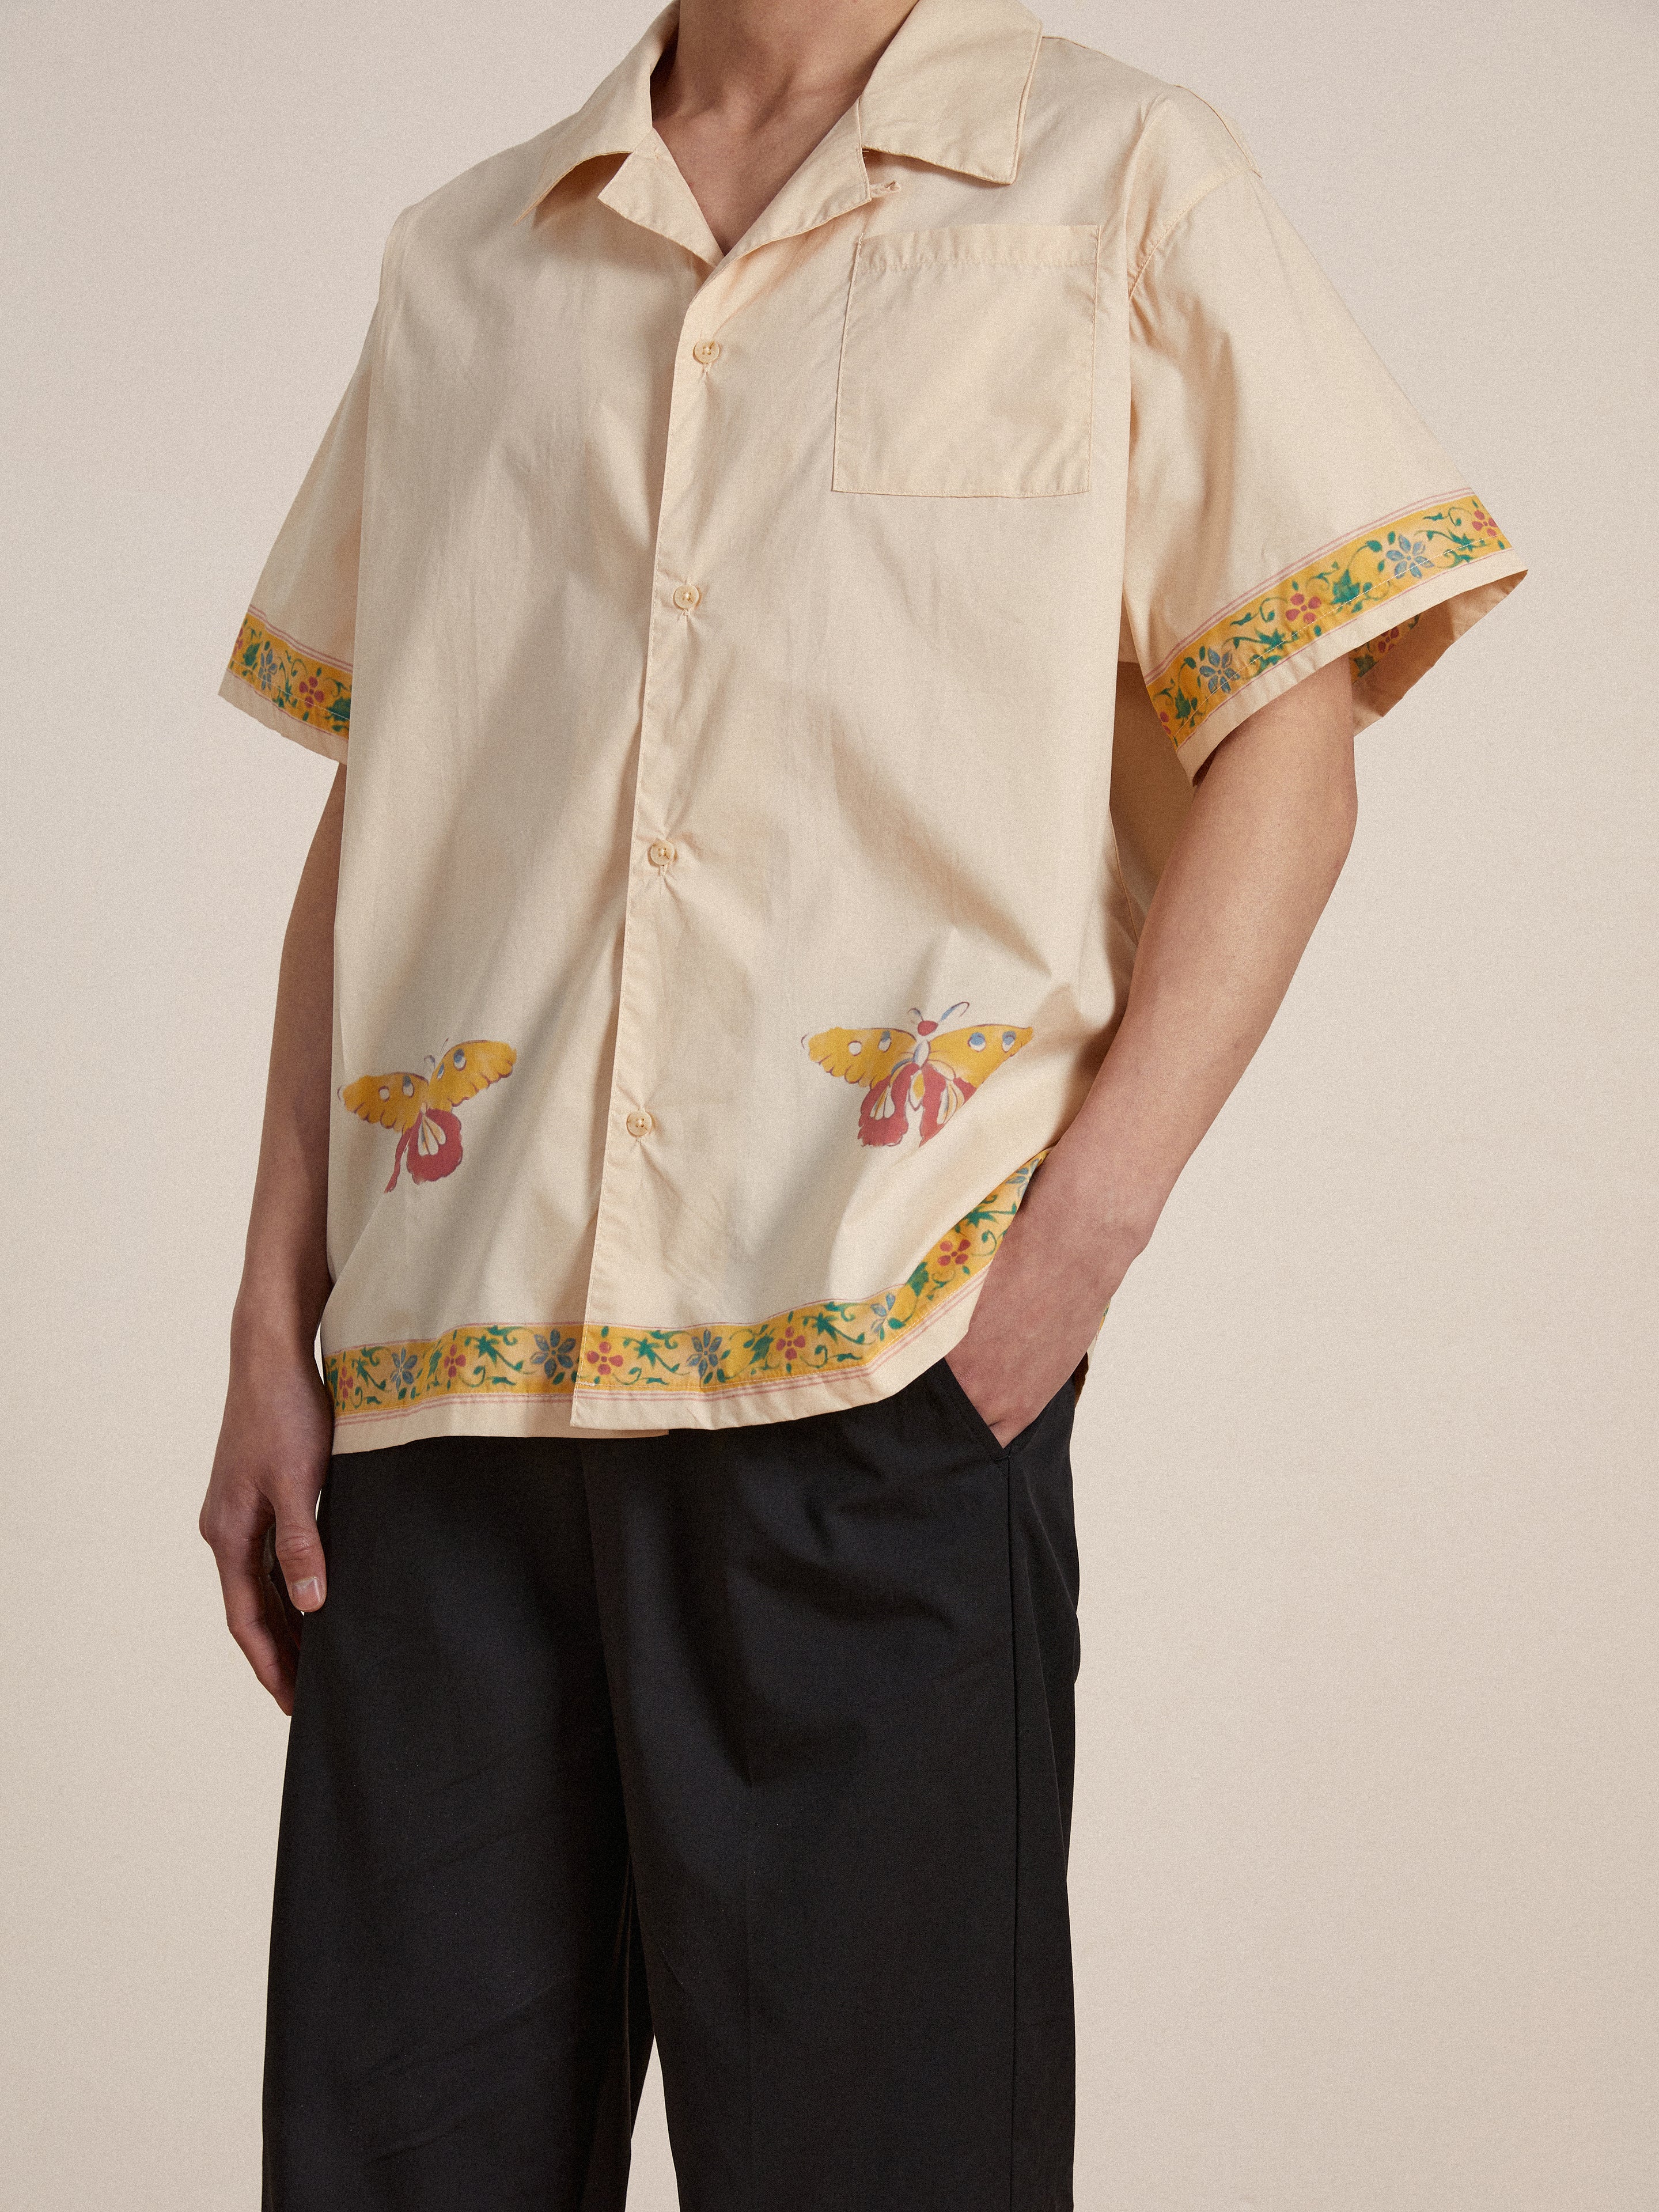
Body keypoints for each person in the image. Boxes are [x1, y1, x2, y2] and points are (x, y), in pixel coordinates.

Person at [200, 1, 1525, 2204]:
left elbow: (1295, 738)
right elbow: (388, 808)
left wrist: (1063, 1256)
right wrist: (273, 1323)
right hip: (440, 1429)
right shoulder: (467, 259)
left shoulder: (1114, 184)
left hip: (876, 1376)